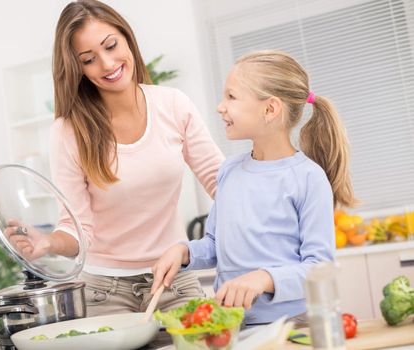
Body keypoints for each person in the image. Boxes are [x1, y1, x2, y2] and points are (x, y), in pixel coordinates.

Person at [5, 0, 224, 317]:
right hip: (103, 292)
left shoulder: (173, 105)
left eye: (111, 46)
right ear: (77, 68)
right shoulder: (68, 131)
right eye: (89, 59)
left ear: (127, 38)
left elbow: (222, 184)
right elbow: (77, 229)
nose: (107, 64)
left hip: (174, 278)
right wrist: (48, 242)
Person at [151, 50, 357, 327]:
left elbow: (320, 268)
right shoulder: (229, 171)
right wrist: (183, 251)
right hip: (233, 325)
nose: (220, 106)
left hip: (293, 325)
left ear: (270, 109)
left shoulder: (308, 178)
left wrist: (265, 278)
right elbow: (215, 245)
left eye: (232, 97)